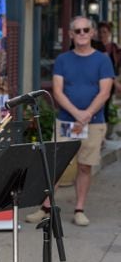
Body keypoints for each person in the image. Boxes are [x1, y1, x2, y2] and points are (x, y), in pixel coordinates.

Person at [25, 16, 114, 227]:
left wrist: (86, 116)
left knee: (85, 166)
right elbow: (57, 91)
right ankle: (46, 207)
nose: (82, 34)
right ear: (71, 35)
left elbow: (105, 92)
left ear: (92, 33)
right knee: (56, 166)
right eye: (77, 31)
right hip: (65, 121)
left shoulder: (103, 60)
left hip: (93, 123)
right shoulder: (63, 60)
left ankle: (79, 208)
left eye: (85, 30)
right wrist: (77, 114)